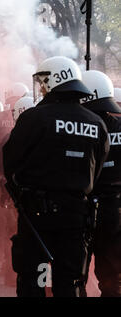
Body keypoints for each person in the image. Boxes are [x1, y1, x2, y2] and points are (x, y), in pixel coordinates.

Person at [3, 56, 110, 297]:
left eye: (43, 82)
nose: (40, 88)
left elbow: (10, 162)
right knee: (69, 280)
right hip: (76, 216)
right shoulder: (97, 123)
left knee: (34, 278)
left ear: (54, 81)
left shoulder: (33, 118)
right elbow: (98, 169)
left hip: (36, 217)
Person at [80, 70, 121, 297]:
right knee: (112, 273)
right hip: (116, 206)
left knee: (75, 269)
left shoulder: (84, 125)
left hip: (84, 205)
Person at [0, 96, 35, 287]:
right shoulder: (44, 134)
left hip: (14, 197)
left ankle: (10, 273)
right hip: (36, 197)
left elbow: (3, 171)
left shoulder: (8, 137)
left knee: (12, 234)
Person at [0, 84, 27, 259]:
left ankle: (0, 248)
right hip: (25, 176)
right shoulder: (32, 117)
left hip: (3, 173)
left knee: (3, 211)